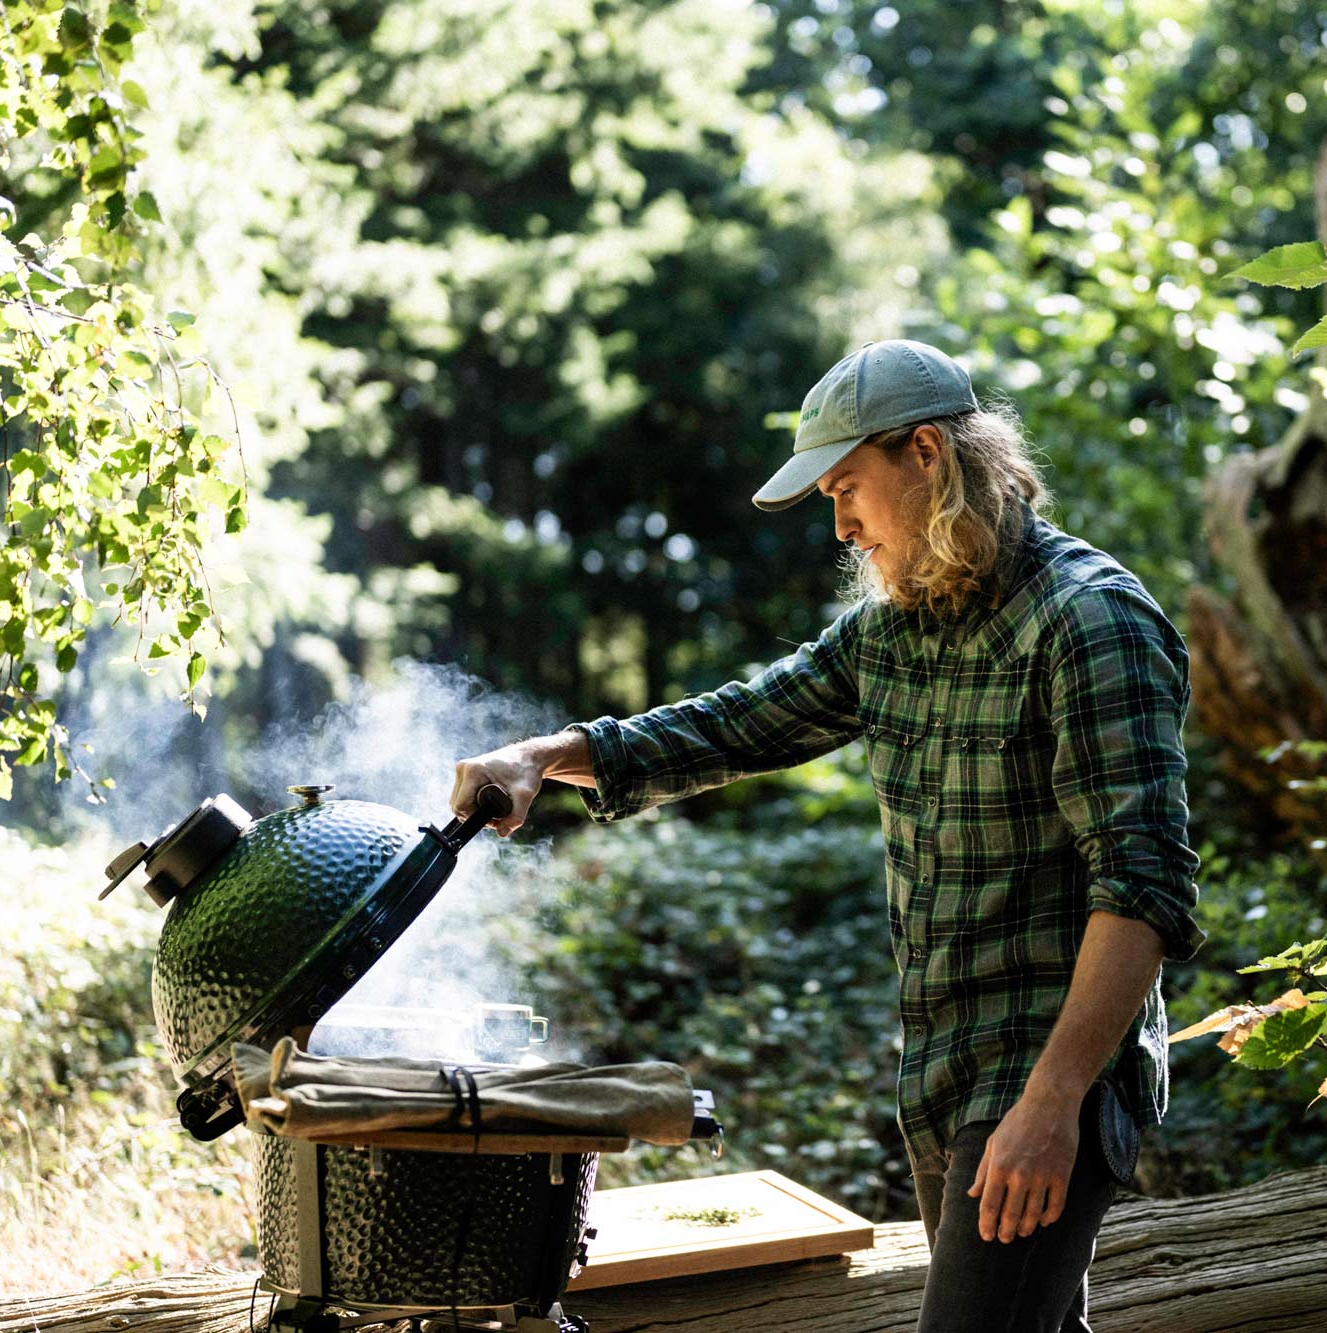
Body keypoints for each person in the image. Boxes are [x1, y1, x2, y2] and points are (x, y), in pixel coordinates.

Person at [450, 338, 1204, 1332]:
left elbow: (1140, 891)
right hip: (936, 1078)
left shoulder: (1088, 620)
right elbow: (733, 724)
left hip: (1037, 1077)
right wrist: (543, 757)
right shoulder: (890, 630)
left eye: (848, 485)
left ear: (926, 455)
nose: (841, 523)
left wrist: (1050, 1101)